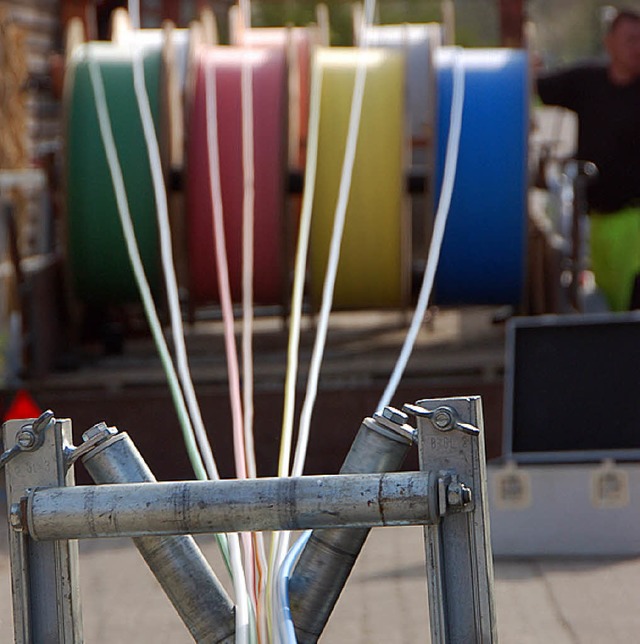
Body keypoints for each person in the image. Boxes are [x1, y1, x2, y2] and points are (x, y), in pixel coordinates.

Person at [537, 8, 640, 311]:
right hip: (599, 221)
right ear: (609, 43)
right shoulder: (587, 82)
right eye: (631, 40)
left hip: (637, 219)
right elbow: (534, 86)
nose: (638, 48)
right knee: (611, 301)